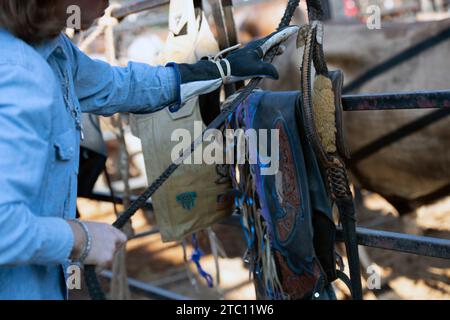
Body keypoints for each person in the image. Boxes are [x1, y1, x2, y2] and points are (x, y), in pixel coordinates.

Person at [0, 0, 298, 299]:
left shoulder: (55, 52)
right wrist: (81, 238)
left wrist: (216, 70)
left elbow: (115, 86)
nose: (108, 3)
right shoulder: (20, 73)